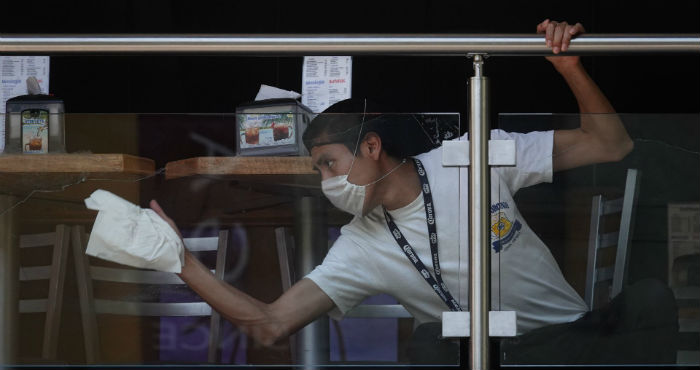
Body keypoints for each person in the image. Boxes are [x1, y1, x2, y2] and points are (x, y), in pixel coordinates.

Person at [149, 20, 675, 364]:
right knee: (427, 345)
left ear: (372, 146)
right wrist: (181, 262)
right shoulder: (358, 245)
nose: (327, 181)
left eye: (329, 164)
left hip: (567, 344)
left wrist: (569, 68)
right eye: (319, 171)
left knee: (650, 298)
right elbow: (270, 325)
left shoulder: (470, 156)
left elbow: (611, 143)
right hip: (483, 355)